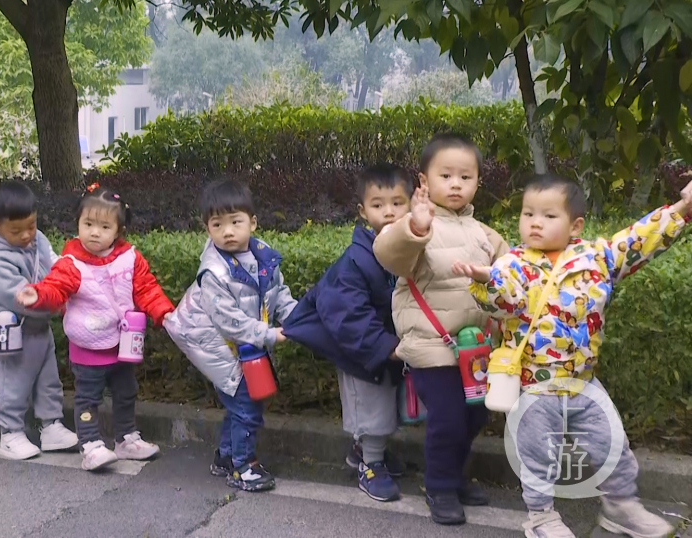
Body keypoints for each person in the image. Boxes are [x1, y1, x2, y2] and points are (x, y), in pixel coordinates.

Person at [453, 174, 692, 538]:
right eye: (528, 213)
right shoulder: (512, 264)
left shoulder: (597, 258)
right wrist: (487, 282)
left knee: (612, 444)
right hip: (534, 387)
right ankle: (541, 517)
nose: (535, 222)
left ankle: (621, 507)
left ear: (575, 225)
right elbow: (505, 301)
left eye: (549, 216)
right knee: (537, 456)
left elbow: (638, 240)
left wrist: (683, 208)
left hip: (583, 382)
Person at [373, 133, 510, 525]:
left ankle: (454, 476)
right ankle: (440, 487)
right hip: (433, 348)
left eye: (465, 177)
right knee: (448, 419)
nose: (455, 184)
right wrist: (415, 227)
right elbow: (389, 254)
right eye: (445, 175)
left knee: (473, 418)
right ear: (424, 180)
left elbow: (513, 279)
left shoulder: (486, 234)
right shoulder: (416, 226)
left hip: (475, 351)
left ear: (477, 182)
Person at [17, 185, 173, 471]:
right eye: (88, 224)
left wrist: (164, 312)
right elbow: (55, 287)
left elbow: (147, 288)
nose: (94, 233)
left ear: (119, 230)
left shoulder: (130, 258)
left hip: (123, 344)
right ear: (78, 223)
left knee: (126, 392)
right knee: (88, 398)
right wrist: (37, 294)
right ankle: (90, 444)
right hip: (88, 346)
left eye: (104, 227)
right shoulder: (71, 263)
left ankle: (126, 438)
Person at [282, 164, 411, 502]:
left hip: (387, 348)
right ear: (363, 211)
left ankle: (364, 451)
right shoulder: (356, 260)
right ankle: (370, 464)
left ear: (412, 205)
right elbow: (347, 315)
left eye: (397, 203)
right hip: (362, 352)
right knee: (372, 408)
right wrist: (384, 346)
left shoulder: (408, 251)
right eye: (378, 204)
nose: (389, 212)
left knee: (388, 405)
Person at [165, 179, 297, 492]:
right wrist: (268, 334)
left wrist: (298, 318)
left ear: (252, 222)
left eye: (235, 222)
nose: (227, 231)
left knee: (241, 405)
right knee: (246, 406)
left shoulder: (263, 258)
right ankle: (243, 466)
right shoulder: (213, 271)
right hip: (214, 344)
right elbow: (229, 321)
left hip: (241, 345)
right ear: (207, 228)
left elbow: (278, 294)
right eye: (217, 224)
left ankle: (226, 455)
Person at [0, 181, 78, 460]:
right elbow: (19, 297)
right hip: (12, 329)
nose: (26, 235)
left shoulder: (37, 239)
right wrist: (54, 301)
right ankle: (10, 433)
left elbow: (54, 265)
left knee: (48, 377)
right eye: (16, 230)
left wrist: (63, 282)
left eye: (31, 225)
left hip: (39, 326)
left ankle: (51, 425)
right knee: (12, 381)